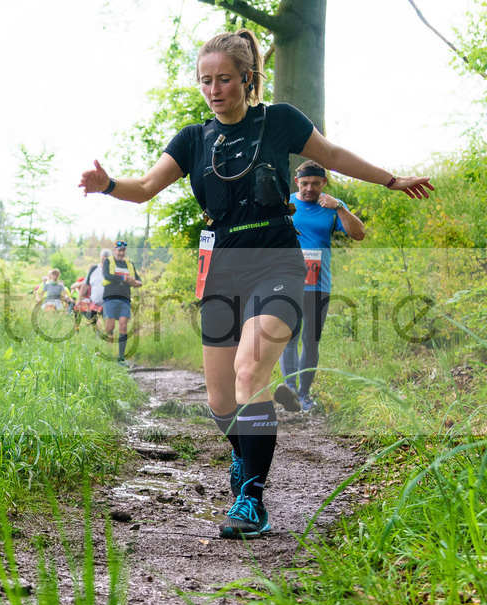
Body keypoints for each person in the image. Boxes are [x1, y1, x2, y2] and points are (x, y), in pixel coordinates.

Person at [79, 29, 433, 539]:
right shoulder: (192, 139)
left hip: (278, 266)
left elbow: (331, 155)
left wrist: (390, 179)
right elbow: (146, 187)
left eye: (224, 79)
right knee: (222, 402)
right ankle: (244, 458)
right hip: (222, 270)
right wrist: (109, 185)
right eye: (205, 81)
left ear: (247, 78)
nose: (214, 89)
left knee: (250, 374)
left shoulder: (280, 121)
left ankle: (252, 500)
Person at [275, 160, 365, 413]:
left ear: (324, 183)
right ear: (297, 183)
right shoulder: (285, 204)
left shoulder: (332, 207)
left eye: (315, 183)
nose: (309, 189)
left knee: (310, 339)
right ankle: (289, 390)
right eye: (305, 183)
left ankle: (304, 395)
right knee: (289, 337)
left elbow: (358, 234)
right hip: (289, 279)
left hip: (318, 283)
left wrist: (340, 208)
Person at [101, 240, 142, 366]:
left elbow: (138, 280)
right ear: (114, 251)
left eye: (123, 250)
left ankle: (121, 358)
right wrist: (124, 278)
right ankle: (107, 353)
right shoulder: (108, 261)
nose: (121, 252)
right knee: (110, 326)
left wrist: (136, 283)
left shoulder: (129, 264)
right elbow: (106, 276)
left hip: (125, 298)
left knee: (123, 326)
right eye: (119, 250)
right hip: (110, 297)